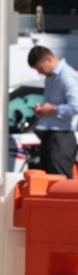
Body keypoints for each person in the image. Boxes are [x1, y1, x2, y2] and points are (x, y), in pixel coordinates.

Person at [27, 46, 78, 178]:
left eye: (40, 68)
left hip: (61, 136)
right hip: (50, 136)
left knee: (60, 182)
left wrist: (51, 110)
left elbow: (75, 106)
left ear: (48, 60)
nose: (40, 72)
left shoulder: (66, 76)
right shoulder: (51, 78)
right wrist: (43, 110)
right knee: (48, 181)